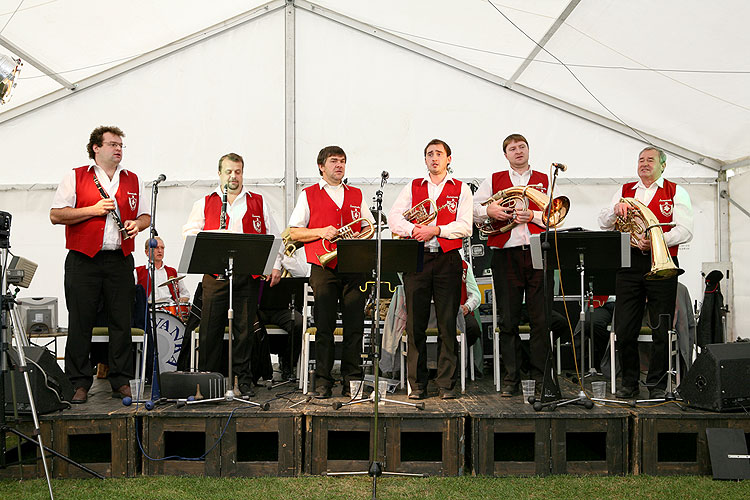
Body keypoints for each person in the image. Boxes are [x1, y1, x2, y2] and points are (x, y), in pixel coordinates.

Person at [50, 125, 150, 403]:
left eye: (121, 145)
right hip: (83, 259)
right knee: (80, 321)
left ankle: (121, 379)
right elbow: (56, 215)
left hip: (119, 258)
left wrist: (136, 225)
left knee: (122, 321)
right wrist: (92, 211)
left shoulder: (132, 179)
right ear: (96, 147)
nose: (118, 149)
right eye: (113, 144)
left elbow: (145, 216)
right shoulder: (76, 176)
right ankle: (79, 381)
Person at [182, 152, 283, 397]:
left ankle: (244, 380)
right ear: (220, 174)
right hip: (215, 276)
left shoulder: (258, 201)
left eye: (237, 171)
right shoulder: (205, 201)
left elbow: (273, 237)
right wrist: (214, 235)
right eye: (228, 171)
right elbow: (189, 233)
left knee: (245, 331)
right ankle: (208, 382)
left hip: (246, 275)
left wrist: (276, 264)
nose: (233, 176)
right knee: (210, 332)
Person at [598, 146, 693, 399]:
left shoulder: (676, 191)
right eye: (641, 160)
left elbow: (685, 229)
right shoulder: (624, 191)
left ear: (663, 165)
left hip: (662, 263)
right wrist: (614, 210)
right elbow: (602, 221)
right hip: (629, 264)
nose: (644, 164)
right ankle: (629, 382)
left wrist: (657, 238)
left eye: (650, 160)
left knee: (661, 327)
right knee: (624, 327)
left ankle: (658, 385)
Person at [389, 139, 472, 399]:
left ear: (449, 158)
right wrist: (414, 230)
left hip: (448, 259)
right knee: (415, 325)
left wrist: (436, 230)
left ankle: (446, 384)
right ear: (425, 159)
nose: (434, 158)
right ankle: (418, 385)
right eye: (429, 154)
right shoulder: (412, 187)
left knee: (448, 323)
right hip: (418, 258)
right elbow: (393, 218)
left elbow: (466, 226)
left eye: (439, 154)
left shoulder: (462, 189)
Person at [288, 146, 374, 398]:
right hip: (323, 267)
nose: (339, 165)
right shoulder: (309, 194)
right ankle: (323, 382)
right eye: (334, 161)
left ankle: (352, 380)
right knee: (324, 327)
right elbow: (294, 231)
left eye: (343, 161)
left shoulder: (357, 194)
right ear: (321, 167)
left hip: (354, 268)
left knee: (355, 327)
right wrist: (320, 231)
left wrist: (359, 236)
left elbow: (368, 226)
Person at [472, 133, 554, 397]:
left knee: (541, 320)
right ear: (505, 154)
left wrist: (534, 215)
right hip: (506, 254)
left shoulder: (544, 179)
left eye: (522, 147)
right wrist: (491, 211)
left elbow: (555, 213)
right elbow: (473, 208)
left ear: (528, 150)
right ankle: (511, 379)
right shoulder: (494, 179)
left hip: (538, 251)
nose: (518, 151)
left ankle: (541, 378)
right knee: (508, 319)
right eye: (512, 148)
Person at [134, 237, 190, 304]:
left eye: (162, 248)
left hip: (170, 309)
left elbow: (185, 294)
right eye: (156, 248)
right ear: (147, 252)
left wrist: (183, 299)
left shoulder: (173, 272)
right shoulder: (137, 272)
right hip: (148, 310)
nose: (160, 251)